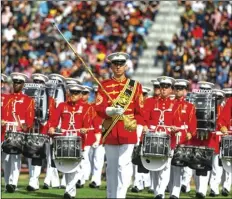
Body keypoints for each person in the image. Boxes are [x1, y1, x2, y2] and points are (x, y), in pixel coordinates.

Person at [95, 52, 145, 198]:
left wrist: (138, 130)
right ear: (111, 66)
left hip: (127, 129)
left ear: (125, 66)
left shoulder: (135, 86)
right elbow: (98, 107)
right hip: (110, 129)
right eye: (115, 65)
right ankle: (111, 195)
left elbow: (140, 111)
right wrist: (109, 110)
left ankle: (120, 195)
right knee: (111, 167)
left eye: (121, 64)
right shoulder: (104, 85)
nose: (118, 67)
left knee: (124, 164)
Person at [48, 83, 88, 199]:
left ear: (81, 94)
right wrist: (52, 127)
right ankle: (70, 192)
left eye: (76, 93)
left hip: (78, 140)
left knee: (78, 168)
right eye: (72, 92)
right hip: (65, 139)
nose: (74, 95)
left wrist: (85, 128)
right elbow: (54, 119)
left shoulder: (86, 107)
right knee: (68, 167)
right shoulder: (62, 105)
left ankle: (69, 190)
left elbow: (87, 122)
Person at [143, 76, 176, 199]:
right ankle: (157, 191)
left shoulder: (175, 104)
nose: (163, 90)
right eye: (162, 87)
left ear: (171, 90)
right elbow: (145, 118)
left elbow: (177, 121)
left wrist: (175, 127)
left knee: (166, 165)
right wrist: (146, 126)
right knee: (154, 165)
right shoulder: (150, 102)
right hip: (153, 136)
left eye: (166, 88)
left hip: (168, 138)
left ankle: (161, 191)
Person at [2, 72, 35, 193]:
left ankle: (13, 183)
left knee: (15, 157)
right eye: (15, 82)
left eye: (19, 82)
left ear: (23, 85)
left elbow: (30, 119)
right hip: (6, 130)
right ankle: (7, 183)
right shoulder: (6, 98)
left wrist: (25, 126)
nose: (16, 84)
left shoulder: (28, 100)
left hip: (18, 130)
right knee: (5, 159)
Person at [26, 73, 56, 191]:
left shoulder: (51, 100)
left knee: (49, 157)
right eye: (35, 82)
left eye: (40, 83)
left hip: (46, 131)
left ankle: (48, 180)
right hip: (33, 130)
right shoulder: (29, 99)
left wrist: (50, 126)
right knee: (34, 156)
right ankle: (33, 181)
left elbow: (53, 116)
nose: (37, 85)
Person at [169, 79, 197, 199]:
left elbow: (193, 123)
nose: (178, 91)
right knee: (167, 166)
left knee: (177, 166)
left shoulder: (190, 106)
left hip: (182, 137)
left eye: (181, 89)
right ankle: (167, 189)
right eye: (177, 89)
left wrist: (191, 133)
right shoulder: (170, 103)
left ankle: (175, 192)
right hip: (169, 136)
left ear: (185, 91)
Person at [131, 86, 151, 193]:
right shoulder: (134, 106)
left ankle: (145, 182)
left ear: (146, 96)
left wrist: (146, 126)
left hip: (145, 134)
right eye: (139, 95)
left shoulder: (149, 105)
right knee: (136, 158)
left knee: (144, 159)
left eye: (143, 95)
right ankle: (137, 183)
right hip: (135, 132)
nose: (141, 97)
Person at [217, 89, 232, 197]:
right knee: (229, 161)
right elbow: (223, 118)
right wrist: (222, 125)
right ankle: (226, 186)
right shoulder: (231, 101)